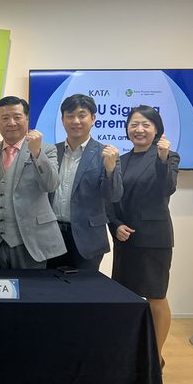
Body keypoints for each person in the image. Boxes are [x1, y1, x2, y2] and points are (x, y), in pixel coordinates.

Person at [107, 105, 179, 367]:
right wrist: (115, 225)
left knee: (155, 297)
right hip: (125, 240)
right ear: (127, 128)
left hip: (154, 240)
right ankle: (130, 353)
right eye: (134, 124)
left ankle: (154, 359)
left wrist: (162, 158)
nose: (139, 129)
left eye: (146, 124)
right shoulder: (122, 160)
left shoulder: (168, 157)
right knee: (125, 297)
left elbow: (166, 188)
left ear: (156, 129)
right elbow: (111, 200)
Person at [0, 96, 65, 268]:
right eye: (5, 118)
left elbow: (51, 185)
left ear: (27, 119)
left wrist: (36, 154)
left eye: (17, 117)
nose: (11, 123)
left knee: (32, 286)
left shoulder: (47, 149)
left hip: (32, 243)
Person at [47, 93, 123, 270]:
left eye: (82, 115)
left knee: (84, 287)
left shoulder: (105, 154)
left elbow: (113, 196)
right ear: (63, 120)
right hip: (51, 237)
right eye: (70, 116)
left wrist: (110, 169)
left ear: (93, 119)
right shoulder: (51, 152)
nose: (76, 121)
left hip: (87, 240)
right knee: (50, 286)